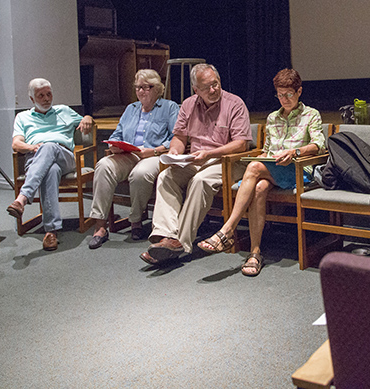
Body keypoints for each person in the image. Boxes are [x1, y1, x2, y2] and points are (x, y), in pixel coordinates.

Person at [197, 68, 325, 276]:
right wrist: (260, 158)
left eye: (289, 94)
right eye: (280, 95)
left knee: (255, 168)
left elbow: (319, 144)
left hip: (298, 170)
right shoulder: (273, 117)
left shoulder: (311, 115)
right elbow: (267, 150)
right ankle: (255, 253)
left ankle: (227, 229)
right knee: (259, 186)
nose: (284, 99)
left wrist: (294, 152)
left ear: (299, 91)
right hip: (272, 170)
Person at [140, 63, 252, 265]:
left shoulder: (234, 104)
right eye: (207, 87)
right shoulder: (188, 104)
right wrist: (175, 151)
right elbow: (179, 137)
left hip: (227, 161)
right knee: (166, 177)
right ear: (196, 90)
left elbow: (241, 144)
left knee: (200, 180)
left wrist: (210, 153)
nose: (213, 90)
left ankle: (179, 242)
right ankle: (164, 235)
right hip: (195, 159)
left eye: (215, 84)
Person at [86, 69, 179, 249]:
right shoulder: (131, 108)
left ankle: (135, 222)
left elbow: (176, 137)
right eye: (138, 87)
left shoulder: (169, 107)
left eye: (146, 87)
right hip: (128, 154)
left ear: (157, 88)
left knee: (140, 173)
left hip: (154, 155)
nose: (141, 91)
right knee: (103, 165)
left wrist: (154, 150)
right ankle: (100, 226)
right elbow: (118, 133)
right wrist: (114, 145)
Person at [7, 79, 94, 251]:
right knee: (51, 170)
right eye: (41, 95)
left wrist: (87, 117)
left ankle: (23, 198)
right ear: (32, 99)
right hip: (35, 158)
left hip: (65, 157)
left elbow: (87, 120)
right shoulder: (23, 117)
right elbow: (16, 144)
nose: (46, 99)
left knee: (49, 146)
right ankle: (51, 231)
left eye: (49, 94)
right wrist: (31, 147)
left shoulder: (64, 111)